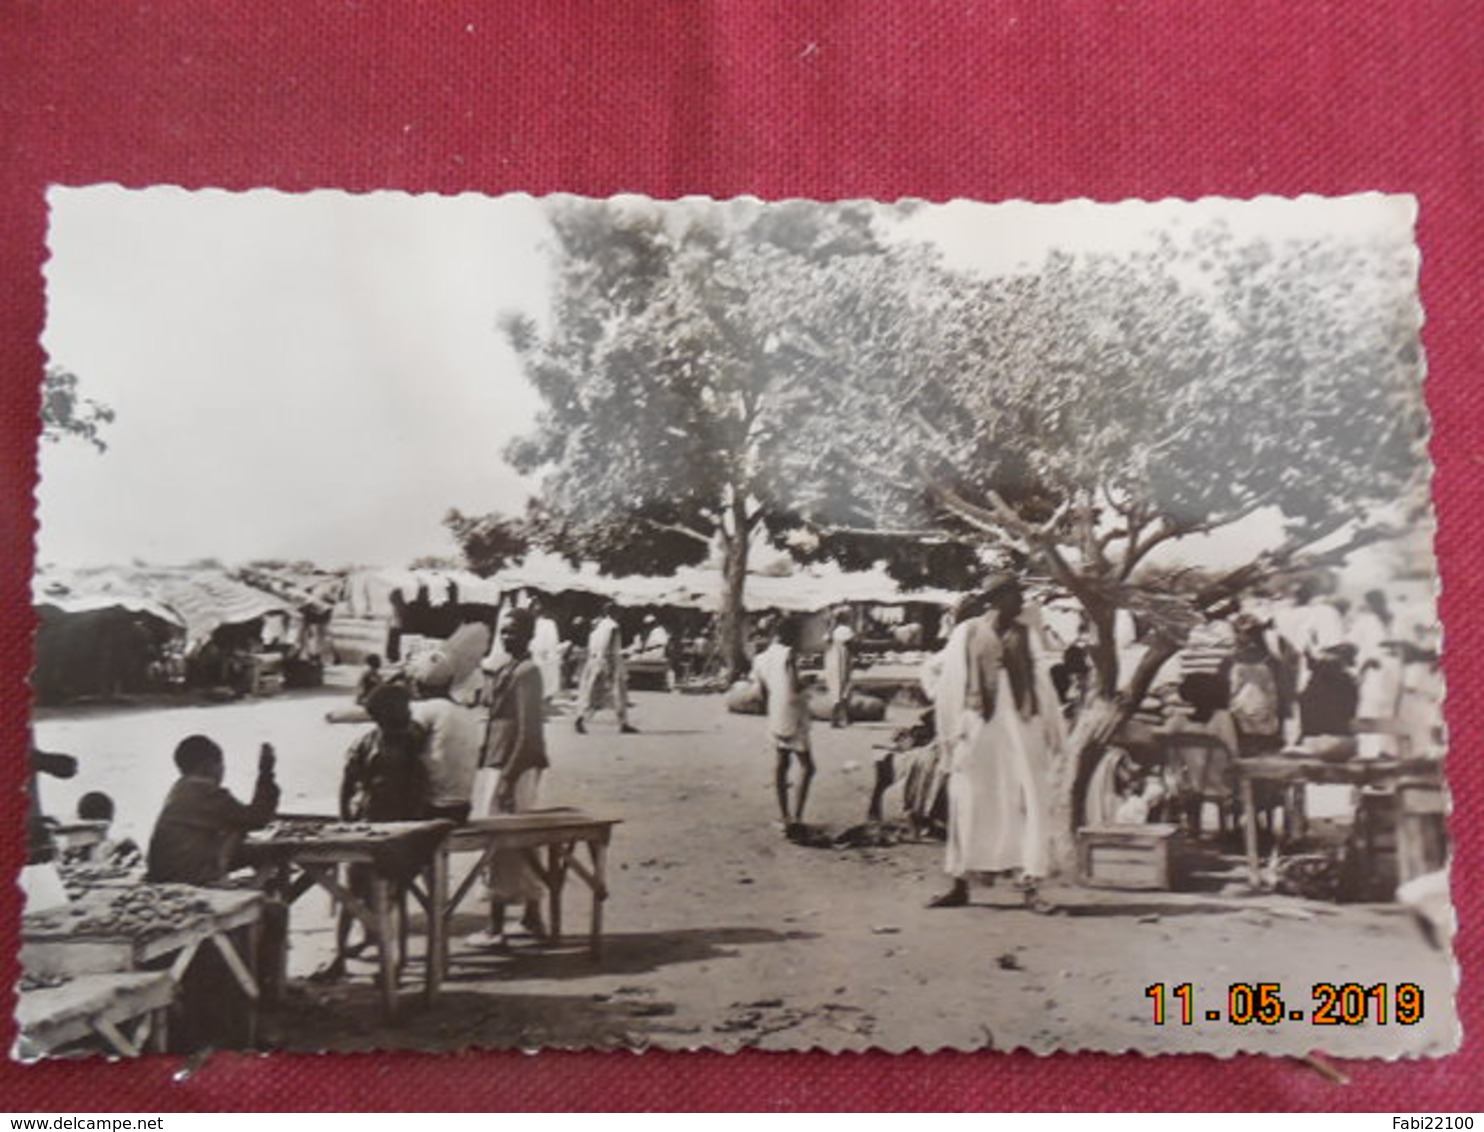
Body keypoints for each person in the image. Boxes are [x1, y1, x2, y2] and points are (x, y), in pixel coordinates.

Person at [929, 574, 1057, 913]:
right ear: (996, 599)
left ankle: (1031, 886)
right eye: (1015, 596)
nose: (1021, 602)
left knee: (1027, 798)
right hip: (978, 724)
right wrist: (950, 734)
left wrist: (1052, 730)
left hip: (1020, 724)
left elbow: (1042, 683)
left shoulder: (1027, 634)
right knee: (967, 797)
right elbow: (947, 681)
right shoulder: (967, 632)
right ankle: (959, 883)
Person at [315, 684, 430, 982]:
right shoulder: (367, 743)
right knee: (352, 895)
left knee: (397, 898)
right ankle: (339, 957)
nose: (407, 714)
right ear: (383, 716)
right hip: (367, 823)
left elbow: (418, 788)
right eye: (401, 709)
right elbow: (347, 784)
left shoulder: (413, 741)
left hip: (400, 829)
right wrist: (345, 821)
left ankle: (396, 962)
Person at [472, 608, 550, 947]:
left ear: (530, 635)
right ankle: (529, 917)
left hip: (513, 765)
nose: (507, 637)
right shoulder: (508, 669)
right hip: (499, 761)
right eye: (503, 632)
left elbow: (527, 731)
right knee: (513, 840)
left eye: (514, 632)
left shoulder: (528, 672)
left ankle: (496, 925)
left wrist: (507, 777)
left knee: (505, 840)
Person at [147, 736, 280, 886]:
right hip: (185, 876)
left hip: (167, 871)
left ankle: (258, 889)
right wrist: (266, 772)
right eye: (221, 764)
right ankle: (262, 894)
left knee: (245, 841)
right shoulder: (205, 792)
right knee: (271, 854)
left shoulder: (180, 789)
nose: (223, 769)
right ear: (209, 765)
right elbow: (257, 818)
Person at [751, 615, 815, 835]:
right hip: (794, 713)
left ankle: (784, 814)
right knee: (807, 766)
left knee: (781, 763)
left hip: (775, 712)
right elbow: (795, 685)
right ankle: (797, 816)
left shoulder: (760, 659)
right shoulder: (788, 654)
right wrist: (809, 682)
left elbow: (760, 692)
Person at [409, 649, 483, 823]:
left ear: (417, 683)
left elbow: (406, 750)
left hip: (433, 807)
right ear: (450, 682)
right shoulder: (465, 713)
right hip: (462, 807)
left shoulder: (425, 710)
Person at [1219, 612, 1294, 757]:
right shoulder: (1273, 662)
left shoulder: (1229, 661)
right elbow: (1285, 698)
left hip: (1241, 725)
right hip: (1262, 725)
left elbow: (1221, 693)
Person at [575, 602, 637, 734]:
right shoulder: (613, 627)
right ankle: (622, 722)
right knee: (618, 693)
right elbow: (608, 646)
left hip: (595, 661)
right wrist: (609, 666)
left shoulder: (598, 626)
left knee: (594, 693)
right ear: (613, 613)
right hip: (609, 661)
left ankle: (582, 717)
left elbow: (593, 645)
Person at [823, 608, 855, 728]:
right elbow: (852, 643)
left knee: (835, 685)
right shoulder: (846, 630)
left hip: (832, 658)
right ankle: (843, 716)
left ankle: (835, 717)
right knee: (844, 684)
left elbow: (826, 640)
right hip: (842, 658)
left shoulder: (831, 631)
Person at [529, 601, 563, 702]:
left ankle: (545, 696)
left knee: (546, 675)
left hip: (544, 653)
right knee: (543, 676)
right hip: (540, 653)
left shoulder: (548, 623)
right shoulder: (540, 623)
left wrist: (548, 650)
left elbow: (553, 640)